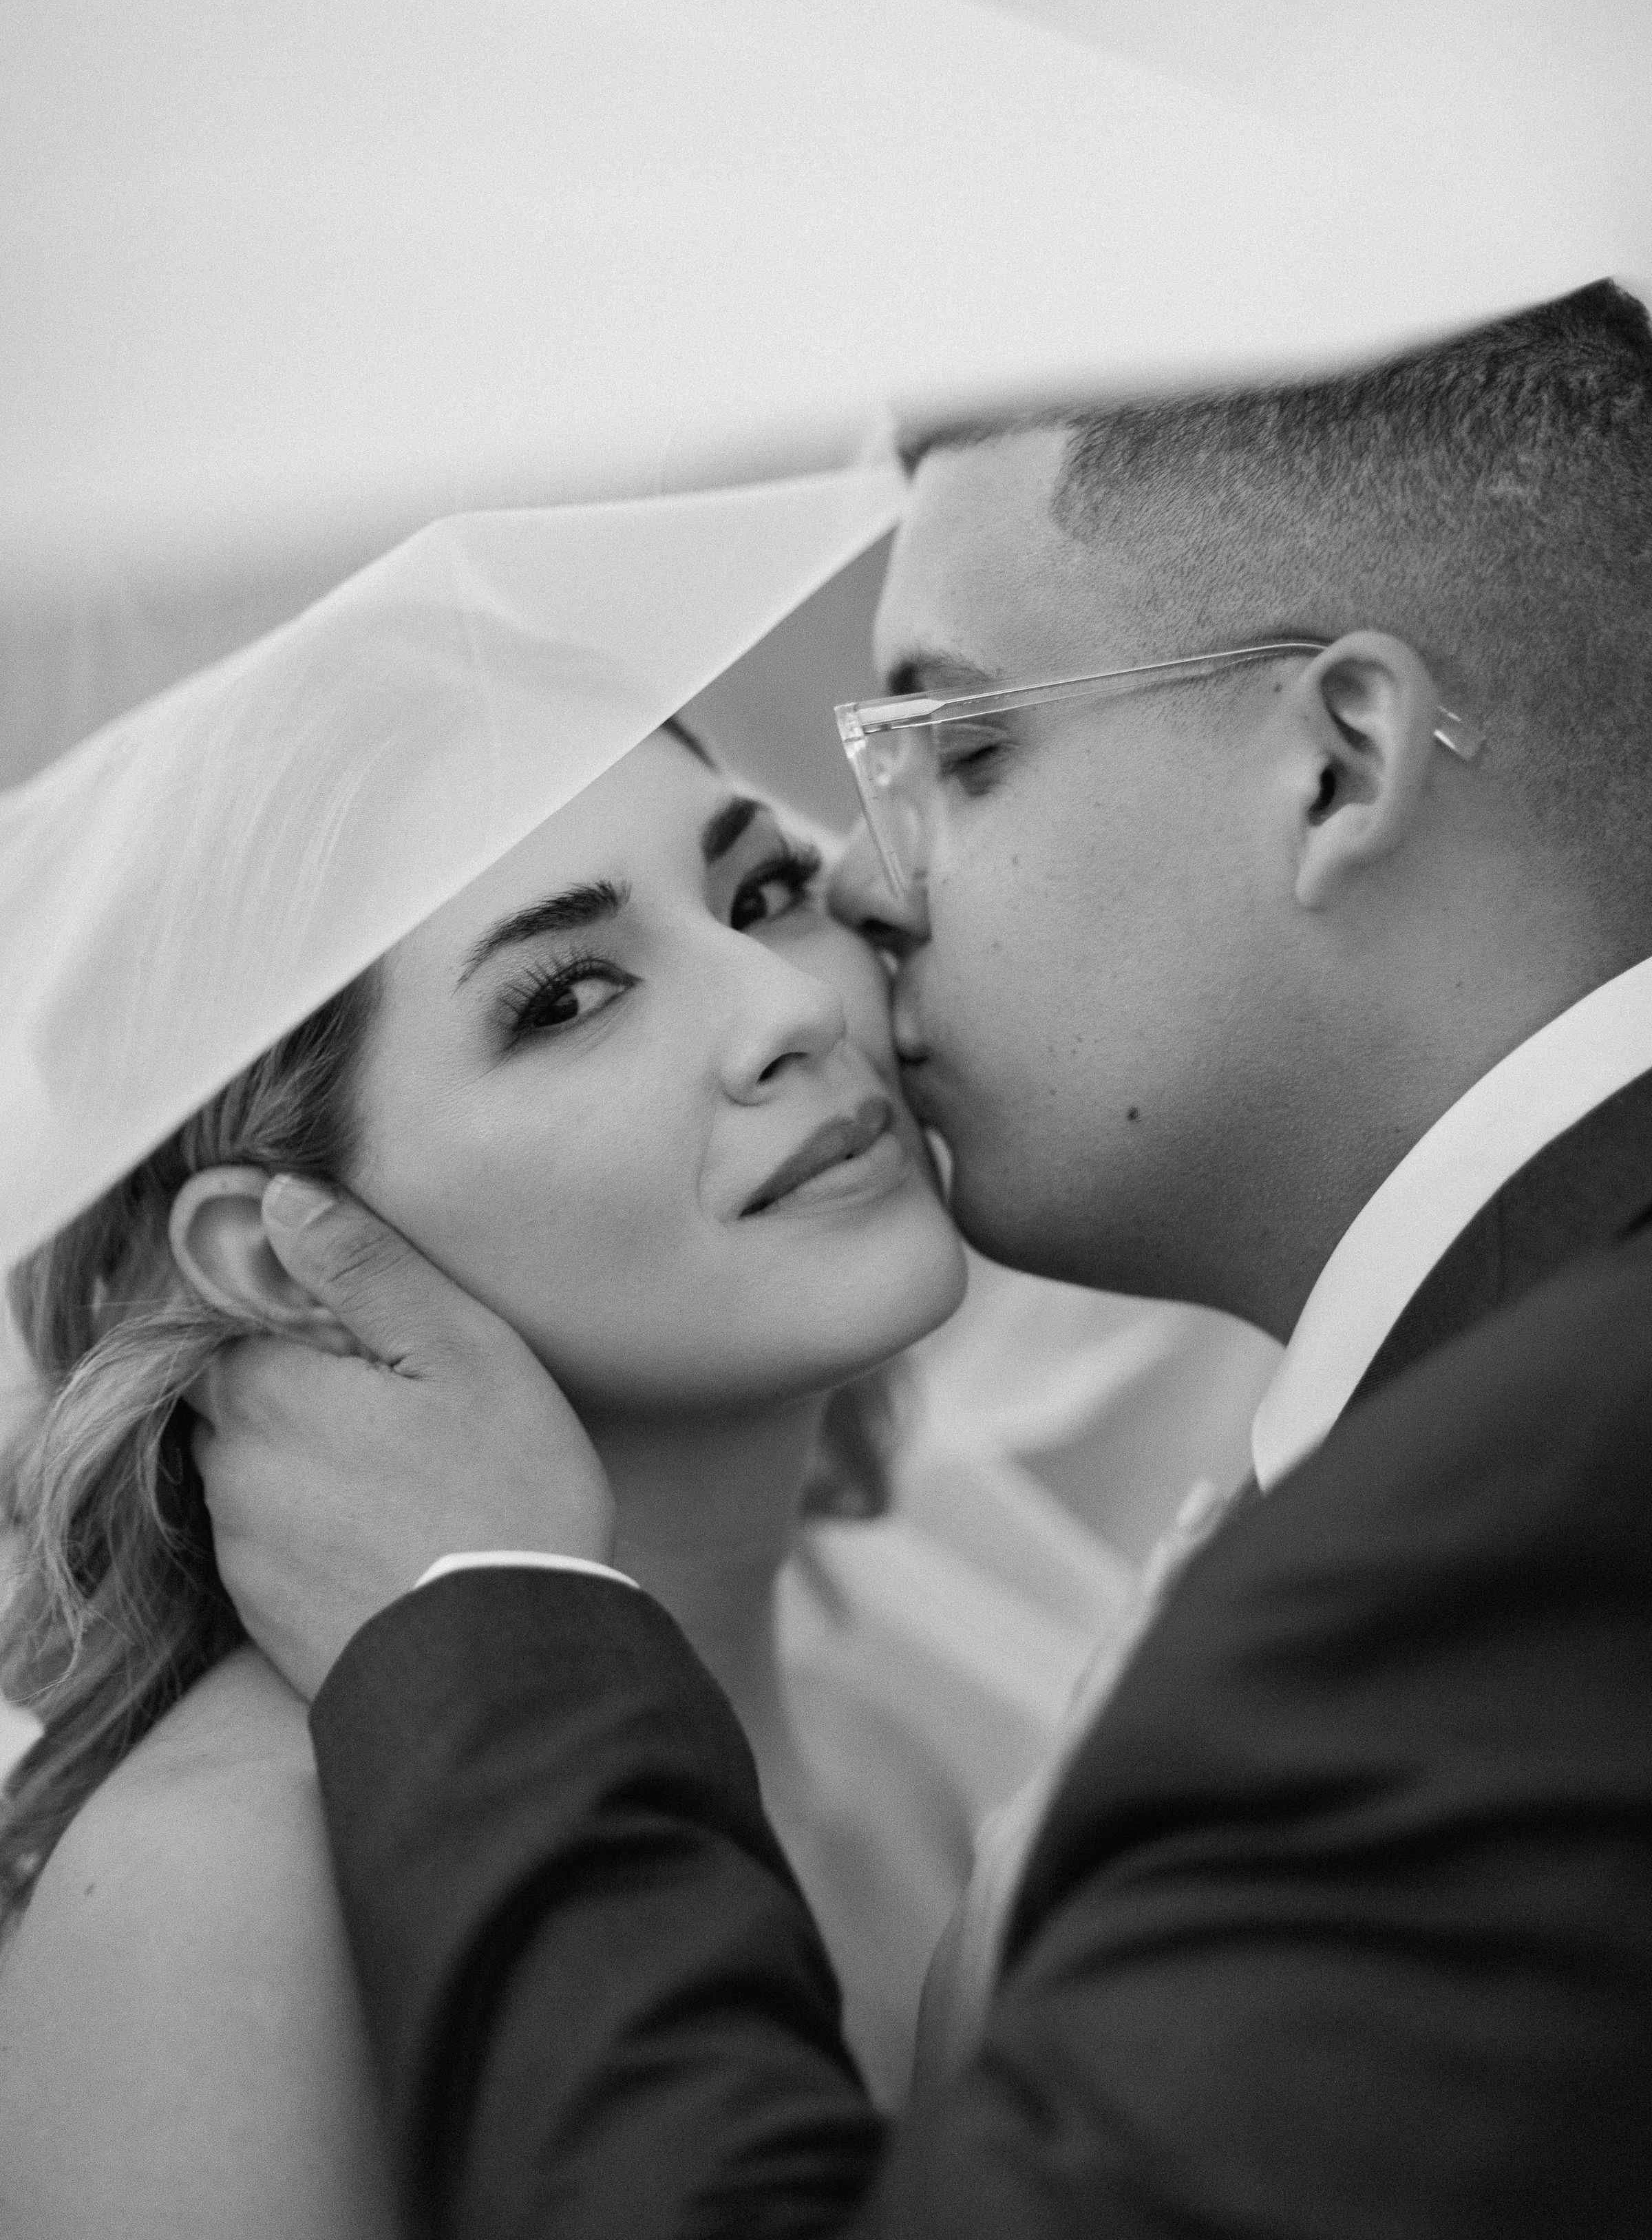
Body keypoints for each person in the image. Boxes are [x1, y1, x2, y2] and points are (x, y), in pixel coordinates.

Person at [192, 280, 1652, 2236]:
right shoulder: (211, 1884)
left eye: (960, 753)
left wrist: (486, 1630)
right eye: (565, 996)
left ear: (1335, 767)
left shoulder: (1540, 1516)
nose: (859, 908)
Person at [0, 713, 1148, 2236]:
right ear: (283, 1258)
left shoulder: (891, 1766)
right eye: (571, 998)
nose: (787, 1006)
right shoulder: (225, 1886)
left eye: (758, 897)